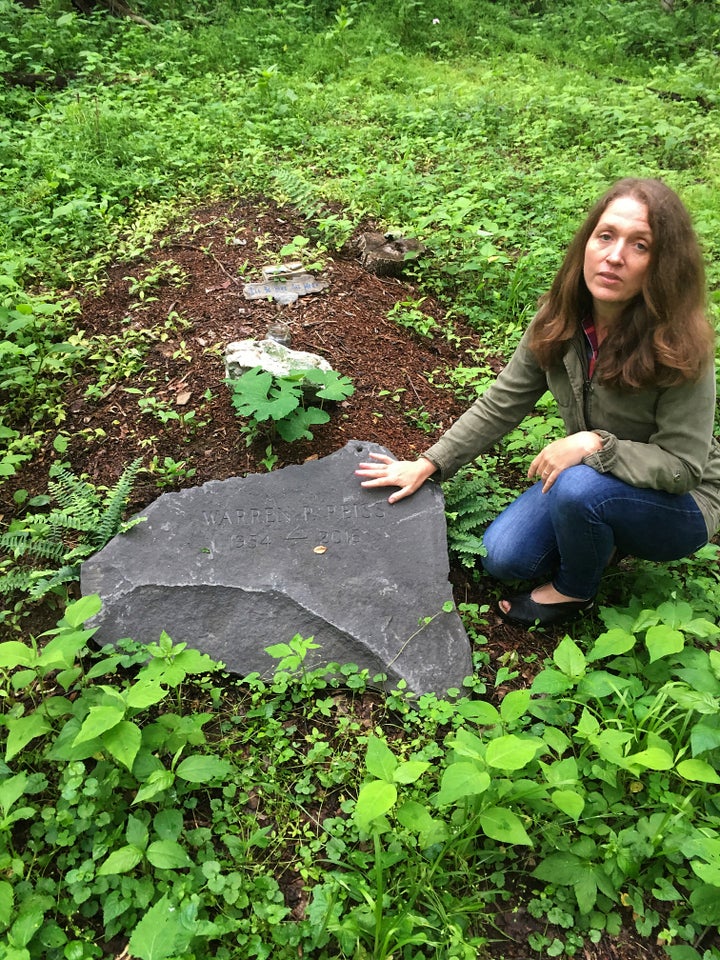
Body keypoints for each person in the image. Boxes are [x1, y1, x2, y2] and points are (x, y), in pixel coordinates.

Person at [356, 178, 720, 628]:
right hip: (592, 477)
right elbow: (502, 403)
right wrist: (430, 463)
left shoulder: (681, 346)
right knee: (504, 558)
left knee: (577, 488)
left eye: (640, 245)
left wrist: (594, 445)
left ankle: (574, 591)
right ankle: (603, 533)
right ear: (587, 242)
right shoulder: (559, 318)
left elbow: (684, 467)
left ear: (663, 264)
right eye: (605, 236)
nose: (614, 256)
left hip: (681, 504)